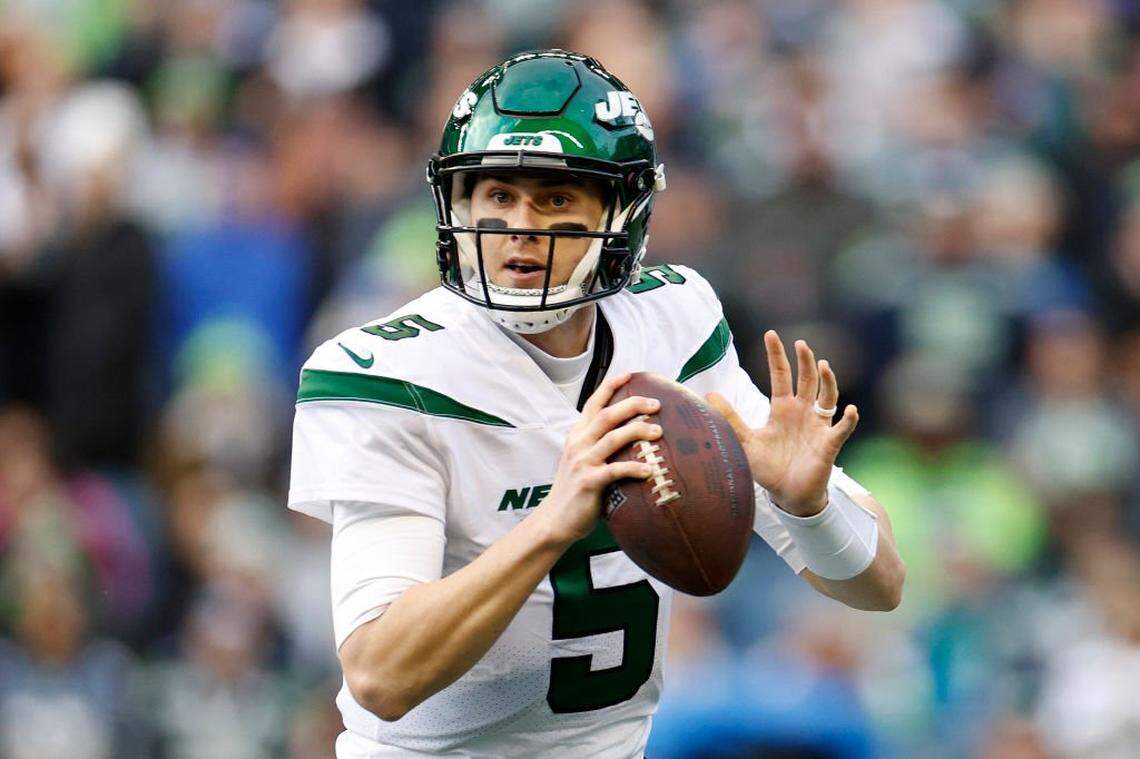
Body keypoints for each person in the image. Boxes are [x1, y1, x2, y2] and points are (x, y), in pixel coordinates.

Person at [288, 50, 905, 759]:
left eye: (554, 198)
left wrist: (810, 505)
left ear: (622, 212)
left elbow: (882, 585)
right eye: (496, 195)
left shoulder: (672, 320)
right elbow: (378, 672)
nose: (518, 225)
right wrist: (556, 517)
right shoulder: (384, 372)